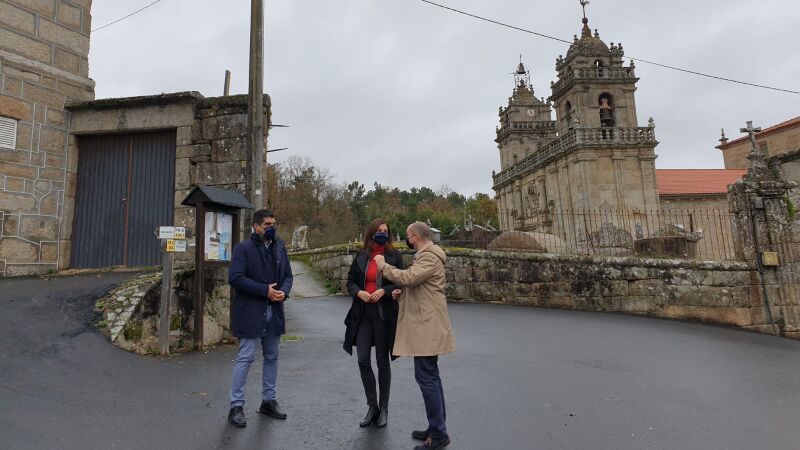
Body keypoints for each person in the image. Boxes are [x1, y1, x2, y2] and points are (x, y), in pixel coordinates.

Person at [374, 221, 456, 450]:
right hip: (426, 323)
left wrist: (383, 266)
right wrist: (402, 294)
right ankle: (436, 427)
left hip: (427, 325)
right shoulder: (426, 256)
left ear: (415, 237)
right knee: (431, 376)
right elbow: (419, 286)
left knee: (427, 378)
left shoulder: (429, 257)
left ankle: (438, 434)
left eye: (408, 236)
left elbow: (409, 277)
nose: (407, 240)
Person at [227, 209, 293, 428]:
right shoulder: (243, 249)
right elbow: (235, 278)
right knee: (245, 358)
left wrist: (283, 291)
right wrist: (265, 291)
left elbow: (288, 276)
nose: (272, 228)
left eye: (274, 224)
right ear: (256, 226)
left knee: (272, 357)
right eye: (267, 225)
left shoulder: (279, 246)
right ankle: (236, 406)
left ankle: (268, 401)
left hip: (274, 312)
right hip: (251, 312)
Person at [343, 218, 404, 428]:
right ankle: (372, 407)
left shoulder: (394, 256)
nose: (382, 234)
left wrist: (384, 291)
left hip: (383, 314)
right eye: (379, 230)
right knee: (362, 360)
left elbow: (401, 281)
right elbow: (350, 281)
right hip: (362, 314)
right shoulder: (362, 255)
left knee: (382, 361)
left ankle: (384, 407)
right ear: (371, 233)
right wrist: (359, 292)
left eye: (385, 231)